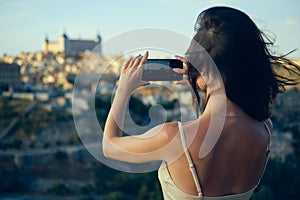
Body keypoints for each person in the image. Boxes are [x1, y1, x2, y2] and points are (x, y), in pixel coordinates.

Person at [102, 6, 300, 199]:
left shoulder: (174, 137)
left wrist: (123, 89)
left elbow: (110, 147)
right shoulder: (265, 130)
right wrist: (201, 82)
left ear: (203, 70)